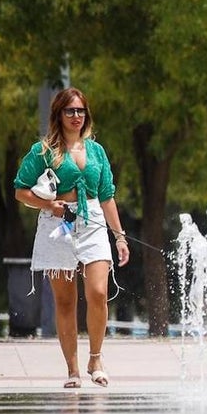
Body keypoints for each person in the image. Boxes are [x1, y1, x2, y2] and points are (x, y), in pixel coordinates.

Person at [13, 87, 129, 388]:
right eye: (70, 111)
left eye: (80, 110)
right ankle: (73, 370)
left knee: (98, 292)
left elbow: (107, 196)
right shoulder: (43, 151)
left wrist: (120, 237)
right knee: (65, 302)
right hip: (57, 224)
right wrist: (48, 205)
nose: (76, 116)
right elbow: (20, 190)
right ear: (59, 114)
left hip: (92, 222)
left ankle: (96, 359)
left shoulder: (96, 151)